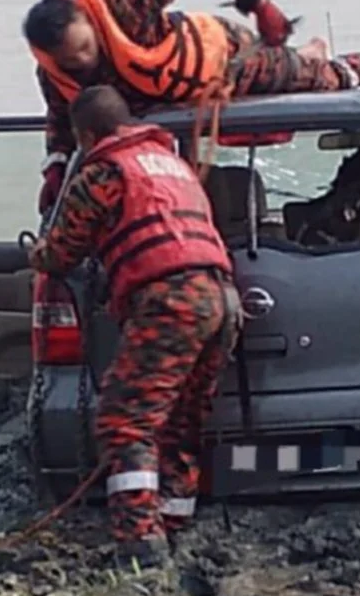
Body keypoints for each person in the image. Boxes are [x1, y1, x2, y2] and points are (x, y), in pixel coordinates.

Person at [22, 0, 360, 212]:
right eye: (70, 58)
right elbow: (62, 125)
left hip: (225, 58)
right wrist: (55, 170)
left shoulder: (124, 7)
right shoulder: (56, 76)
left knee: (330, 79)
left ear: (88, 21)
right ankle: (306, 54)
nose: (82, 60)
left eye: (85, 47)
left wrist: (260, 4)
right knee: (307, 66)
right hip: (172, 100)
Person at [27, 85, 240, 568]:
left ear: (85, 135)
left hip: (171, 300)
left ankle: (140, 543)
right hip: (223, 298)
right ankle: (174, 517)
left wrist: (34, 254)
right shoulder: (172, 164)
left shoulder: (103, 172)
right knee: (182, 419)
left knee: (124, 424)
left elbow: (62, 252)